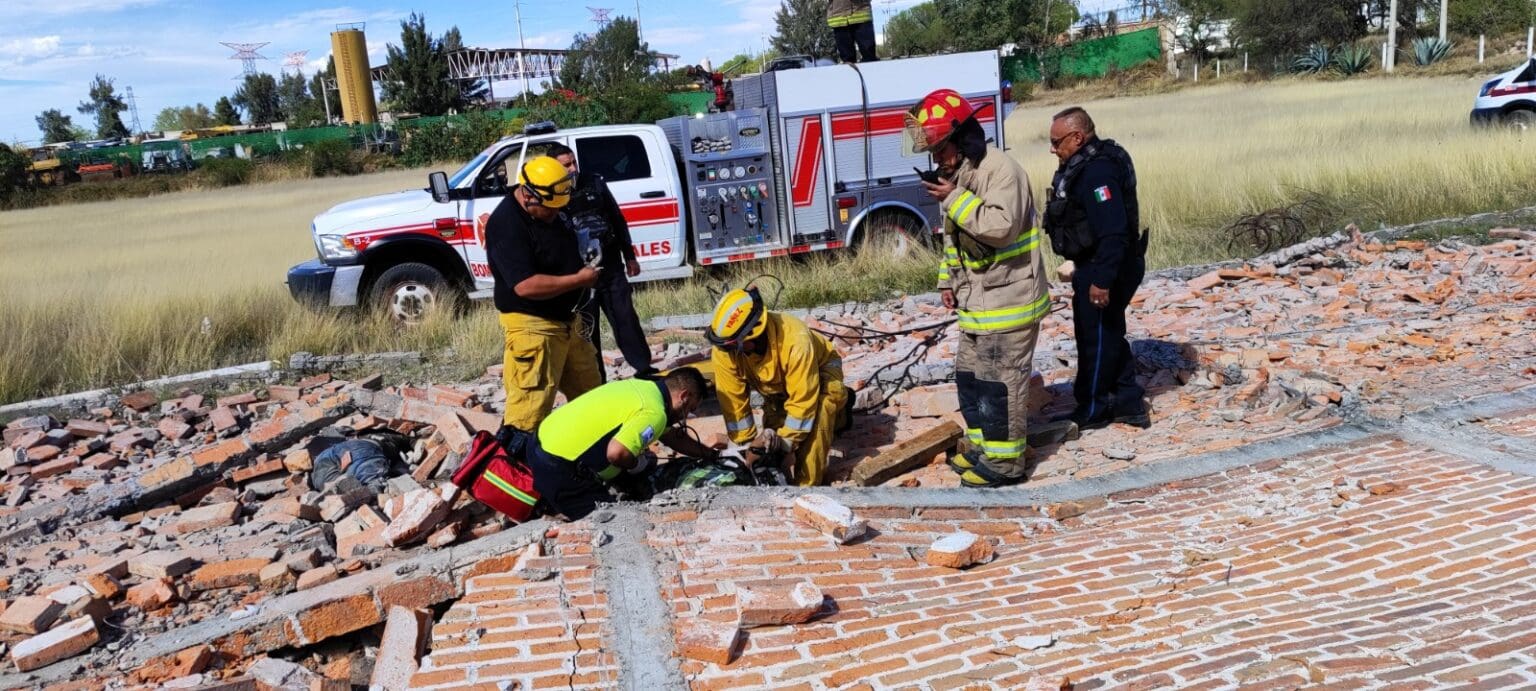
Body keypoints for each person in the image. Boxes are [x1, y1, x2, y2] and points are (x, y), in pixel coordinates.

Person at [907, 88, 1050, 488]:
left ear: (962, 138)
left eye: (940, 148)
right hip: (977, 305)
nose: (937, 159)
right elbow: (955, 239)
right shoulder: (959, 175)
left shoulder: (1001, 171)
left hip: (1009, 303)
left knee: (1000, 385)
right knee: (971, 379)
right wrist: (946, 280)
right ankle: (984, 451)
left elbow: (1000, 228)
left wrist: (955, 198)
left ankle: (1005, 466)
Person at [1043, 107, 1150, 431]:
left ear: (1078, 137)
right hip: (1099, 262)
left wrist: (1102, 280)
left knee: (1096, 338)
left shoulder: (1097, 172)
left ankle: (1092, 408)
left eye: (1056, 141)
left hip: (1107, 265)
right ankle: (1129, 403)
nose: (1052, 149)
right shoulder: (1090, 162)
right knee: (1109, 332)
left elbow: (1114, 230)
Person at [485, 155, 603, 432]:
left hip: (567, 322)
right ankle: (516, 468)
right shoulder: (505, 225)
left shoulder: (549, 205)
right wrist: (578, 279)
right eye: (549, 209)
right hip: (533, 328)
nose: (554, 214)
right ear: (528, 196)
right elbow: (525, 286)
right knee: (529, 412)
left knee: (593, 395)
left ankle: (597, 459)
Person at [526, 367, 716, 519]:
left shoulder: (642, 388)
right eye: (689, 409)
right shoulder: (654, 412)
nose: (685, 416)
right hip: (560, 468)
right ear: (684, 396)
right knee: (612, 522)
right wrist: (637, 464)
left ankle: (552, 505)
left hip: (539, 444)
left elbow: (673, 437)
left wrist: (708, 454)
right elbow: (617, 453)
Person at [706, 287, 851, 487]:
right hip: (778, 388)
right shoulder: (725, 351)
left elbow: (802, 404)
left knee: (819, 414)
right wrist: (747, 447)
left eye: (732, 346)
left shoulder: (794, 341)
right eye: (724, 346)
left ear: (754, 333)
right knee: (771, 439)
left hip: (820, 371)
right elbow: (734, 405)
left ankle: (806, 487)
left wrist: (786, 442)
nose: (728, 352)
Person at [547, 143, 657, 380]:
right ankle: (597, 380)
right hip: (579, 274)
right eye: (566, 165)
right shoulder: (550, 193)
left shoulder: (594, 182)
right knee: (587, 328)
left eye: (573, 162)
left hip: (610, 263)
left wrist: (630, 256)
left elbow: (617, 218)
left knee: (625, 317)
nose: (572, 169)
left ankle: (644, 369)